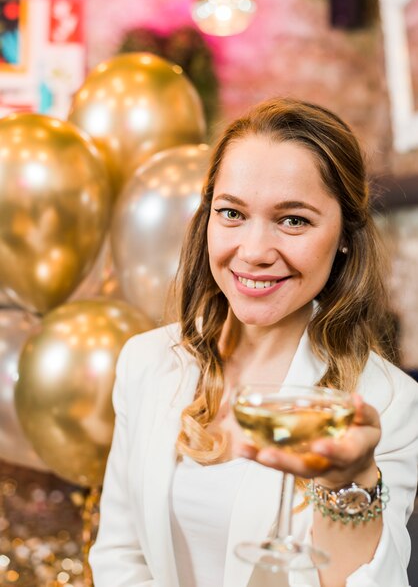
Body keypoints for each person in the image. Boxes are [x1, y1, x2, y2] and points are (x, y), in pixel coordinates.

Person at [89, 97, 418, 587]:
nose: (255, 252)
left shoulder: (388, 402)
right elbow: (120, 555)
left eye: (293, 220)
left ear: (346, 234)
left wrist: (348, 481)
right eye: (232, 213)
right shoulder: (149, 361)